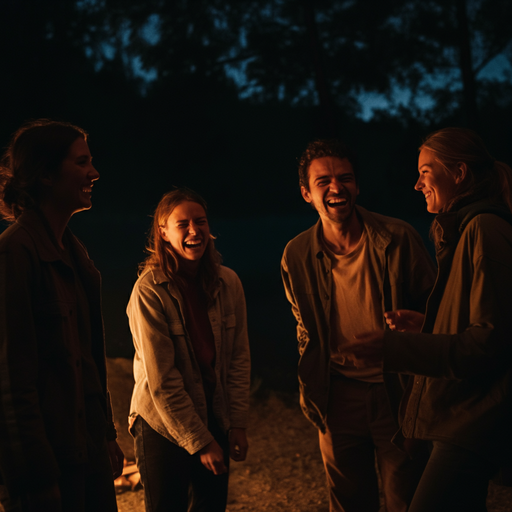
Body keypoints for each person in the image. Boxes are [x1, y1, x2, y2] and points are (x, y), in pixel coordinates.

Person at [347, 127, 512, 512]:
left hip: (472, 417)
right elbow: (478, 322)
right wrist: (427, 325)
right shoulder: (464, 231)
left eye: (426, 171)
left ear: (459, 174)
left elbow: (490, 342)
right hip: (462, 412)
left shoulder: (485, 230)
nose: (417, 183)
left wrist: (397, 348)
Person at [281, 139, 436, 512]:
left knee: (408, 501)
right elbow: (304, 329)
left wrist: (411, 334)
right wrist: (313, 387)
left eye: (345, 178)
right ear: (306, 193)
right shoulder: (296, 254)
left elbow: (440, 317)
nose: (336, 188)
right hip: (337, 397)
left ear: (357, 186)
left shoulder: (397, 238)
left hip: (398, 392)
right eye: (323, 182)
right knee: (349, 503)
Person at [0, 119, 124, 512]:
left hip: (86, 456)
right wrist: (35, 478)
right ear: (47, 175)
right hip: (50, 464)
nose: (95, 173)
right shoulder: (14, 254)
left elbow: (85, 360)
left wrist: (105, 434)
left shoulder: (75, 254)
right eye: (82, 162)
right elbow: (11, 380)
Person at [127, 188, 250, 512]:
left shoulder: (227, 283)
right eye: (183, 224)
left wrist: (236, 423)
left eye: (201, 222)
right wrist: (201, 442)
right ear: (163, 233)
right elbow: (162, 380)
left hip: (212, 413)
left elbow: (237, 359)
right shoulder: (149, 291)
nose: (195, 231)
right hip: (160, 424)